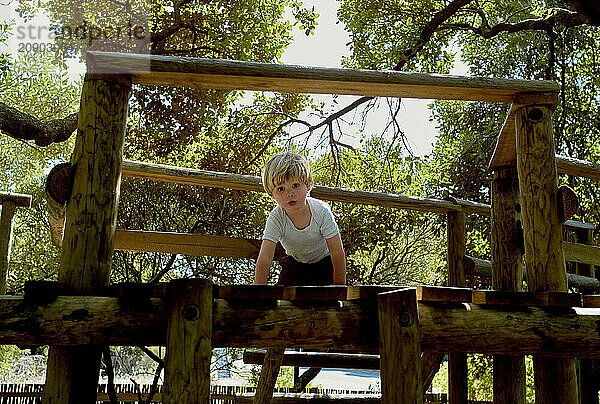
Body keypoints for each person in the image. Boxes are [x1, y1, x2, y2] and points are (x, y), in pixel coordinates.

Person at [254, 151, 346, 286]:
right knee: (282, 296)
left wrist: (339, 284)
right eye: (280, 189)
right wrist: (257, 292)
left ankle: (350, 285)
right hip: (295, 265)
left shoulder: (321, 211)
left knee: (328, 297)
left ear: (308, 185)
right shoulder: (276, 218)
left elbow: (336, 250)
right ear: (271, 193)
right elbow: (265, 257)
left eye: (295, 186)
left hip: (325, 263)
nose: (289, 194)